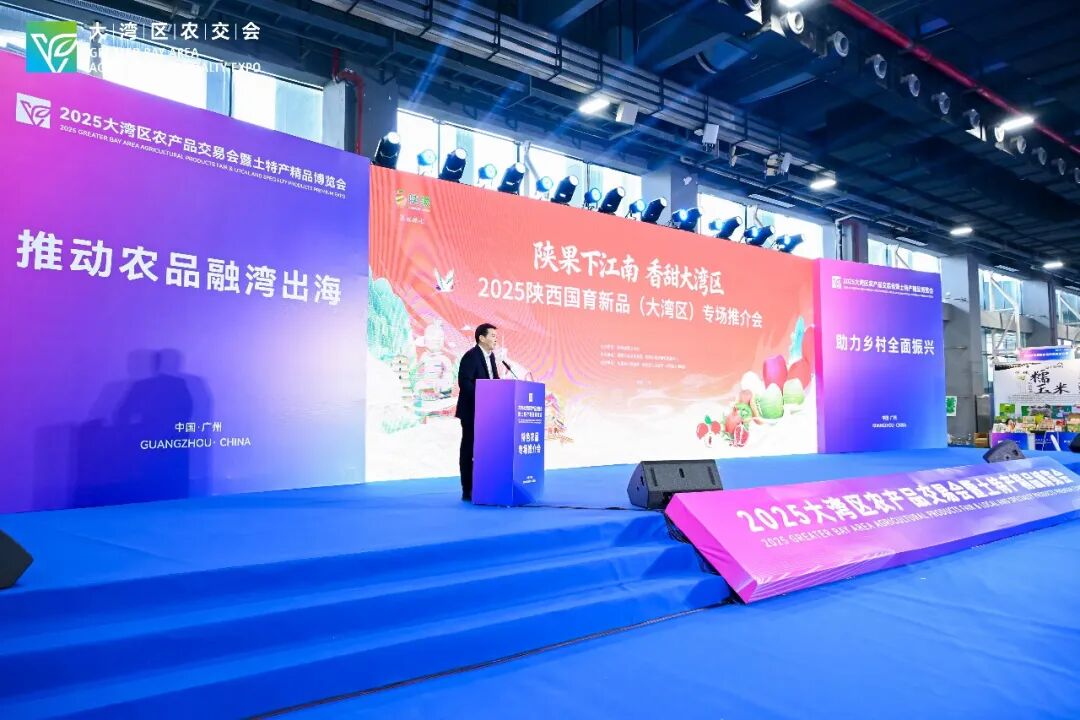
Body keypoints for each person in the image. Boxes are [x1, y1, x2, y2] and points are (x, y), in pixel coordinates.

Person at [455, 323, 499, 501]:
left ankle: (484, 484)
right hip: (472, 411)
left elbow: (494, 381)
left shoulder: (491, 357)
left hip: (487, 412)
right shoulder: (471, 356)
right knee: (469, 449)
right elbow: (464, 382)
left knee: (484, 450)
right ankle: (468, 489)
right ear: (481, 338)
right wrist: (483, 398)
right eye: (493, 336)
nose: (495, 339)